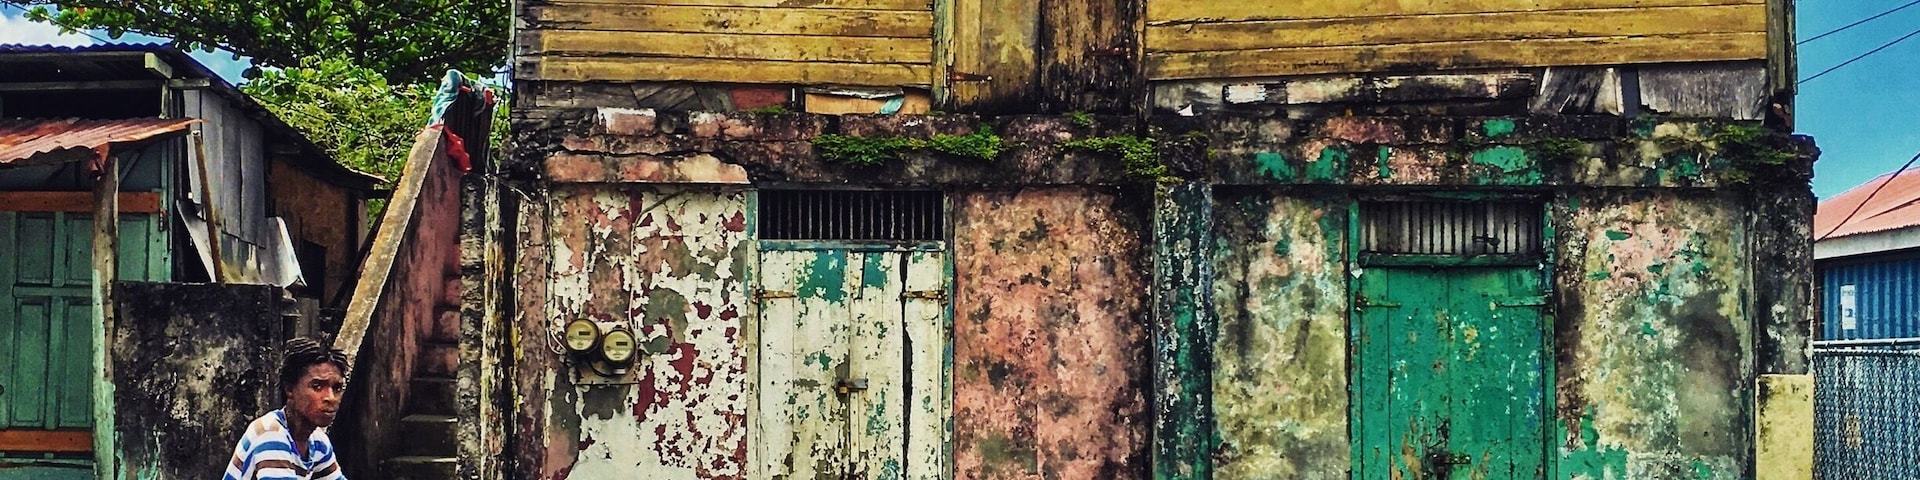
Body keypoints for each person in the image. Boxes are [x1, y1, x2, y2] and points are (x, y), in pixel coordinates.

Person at [223, 337, 349, 480]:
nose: (331, 398)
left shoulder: (318, 442)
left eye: (337, 388)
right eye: (317, 386)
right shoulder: (270, 435)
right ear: (289, 388)